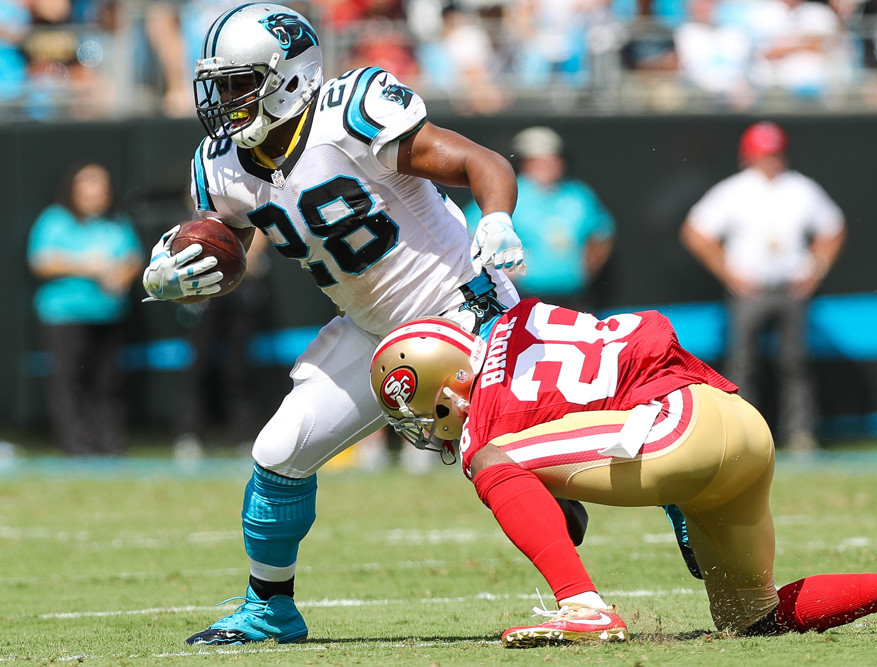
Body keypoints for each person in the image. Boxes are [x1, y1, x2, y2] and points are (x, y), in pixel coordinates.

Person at [138, 2, 585, 646]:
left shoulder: (350, 113)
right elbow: (231, 244)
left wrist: (496, 219)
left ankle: (650, 515)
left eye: (239, 83)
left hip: (460, 306)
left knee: (524, 456)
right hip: (372, 329)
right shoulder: (223, 165)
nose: (224, 102)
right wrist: (177, 271)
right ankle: (270, 609)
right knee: (278, 453)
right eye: (220, 85)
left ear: (289, 76)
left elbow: (484, 164)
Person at [369, 303, 877, 647]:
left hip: (674, 431)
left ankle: (583, 607)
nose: (429, 427)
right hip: (736, 420)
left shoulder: (486, 415)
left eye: (424, 411)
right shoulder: (519, 317)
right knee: (752, 618)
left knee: (490, 457)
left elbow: (557, 519)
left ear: (446, 382)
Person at [679, 121, 846, 453]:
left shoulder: (800, 188)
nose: (770, 161)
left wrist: (815, 270)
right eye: (763, 154)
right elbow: (695, 232)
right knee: (742, 362)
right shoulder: (735, 190)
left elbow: (834, 228)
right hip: (749, 289)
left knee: (795, 362)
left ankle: (800, 433)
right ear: (748, 156)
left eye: (775, 154)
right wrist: (728, 272)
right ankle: (743, 434)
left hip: (789, 286)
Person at [26, 162, 144, 456]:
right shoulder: (55, 220)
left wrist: (121, 274)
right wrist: (86, 265)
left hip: (109, 314)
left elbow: (134, 258)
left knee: (108, 384)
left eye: (103, 185)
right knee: (70, 383)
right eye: (90, 185)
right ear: (74, 190)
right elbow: (40, 261)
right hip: (65, 316)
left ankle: (108, 445)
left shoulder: (117, 221)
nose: (98, 192)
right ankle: (78, 448)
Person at [464, 126, 616, 313]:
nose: (547, 165)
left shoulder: (578, 195)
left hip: (575, 298)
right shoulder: (508, 192)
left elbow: (602, 231)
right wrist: (500, 271)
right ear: (525, 162)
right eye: (538, 160)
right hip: (522, 298)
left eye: (552, 159)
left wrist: (588, 267)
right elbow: (470, 230)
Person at [172, 229, 272, 458]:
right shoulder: (199, 208)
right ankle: (189, 435)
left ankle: (245, 435)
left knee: (239, 369)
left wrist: (233, 257)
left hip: (240, 291)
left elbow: (255, 244)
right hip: (204, 293)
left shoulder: (244, 207)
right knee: (196, 367)